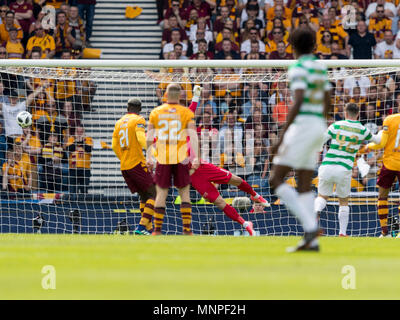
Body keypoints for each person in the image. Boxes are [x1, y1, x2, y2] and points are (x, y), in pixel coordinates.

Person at [269, 27, 332, 252]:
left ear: (292, 46)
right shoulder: (320, 67)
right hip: (318, 126)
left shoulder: (297, 68)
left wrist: (282, 136)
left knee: (275, 179)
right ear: (314, 45)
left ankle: (310, 226)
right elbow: (327, 100)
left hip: (303, 124)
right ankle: (311, 242)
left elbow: (297, 101)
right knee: (304, 183)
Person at [188, 86, 269, 236]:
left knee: (236, 179)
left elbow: (190, 111)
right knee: (220, 203)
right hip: (193, 177)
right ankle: (245, 224)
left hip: (203, 166)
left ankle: (255, 195)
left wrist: (196, 96)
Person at [314, 103, 381, 237]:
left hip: (327, 165)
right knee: (343, 201)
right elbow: (378, 140)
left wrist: (319, 150)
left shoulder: (335, 125)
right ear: (358, 114)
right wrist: (384, 130)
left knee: (322, 197)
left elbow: (319, 141)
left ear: (345, 113)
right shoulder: (362, 129)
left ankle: (315, 213)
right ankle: (342, 233)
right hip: (344, 168)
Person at [146, 83, 199, 235]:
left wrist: (149, 156)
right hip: (181, 157)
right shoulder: (185, 112)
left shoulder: (156, 112)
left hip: (163, 158)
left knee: (161, 193)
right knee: (184, 193)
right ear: (180, 96)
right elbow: (193, 136)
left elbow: (149, 136)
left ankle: (157, 230)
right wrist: (197, 157)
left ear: (166, 95)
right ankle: (187, 230)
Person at [112, 98, 156, 235]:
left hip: (125, 166)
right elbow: (141, 138)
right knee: (155, 194)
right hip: (136, 162)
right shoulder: (139, 120)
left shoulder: (119, 122)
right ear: (140, 109)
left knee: (144, 196)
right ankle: (141, 228)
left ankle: (148, 230)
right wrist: (153, 154)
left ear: (127, 108)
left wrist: (123, 158)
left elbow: (114, 146)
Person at [361, 104, 400, 238]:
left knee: (382, 197)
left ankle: (385, 232)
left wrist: (368, 146)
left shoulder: (389, 119)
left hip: (389, 164)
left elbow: (381, 143)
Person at [66, 126, 93, 194]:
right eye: (77, 131)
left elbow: (89, 149)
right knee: (73, 190)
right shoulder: (71, 139)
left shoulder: (88, 139)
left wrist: (81, 141)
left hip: (85, 168)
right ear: (75, 132)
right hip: (73, 167)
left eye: (81, 132)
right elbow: (69, 148)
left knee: (84, 190)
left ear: (84, 133)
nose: (79, 133)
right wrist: (76, 141)